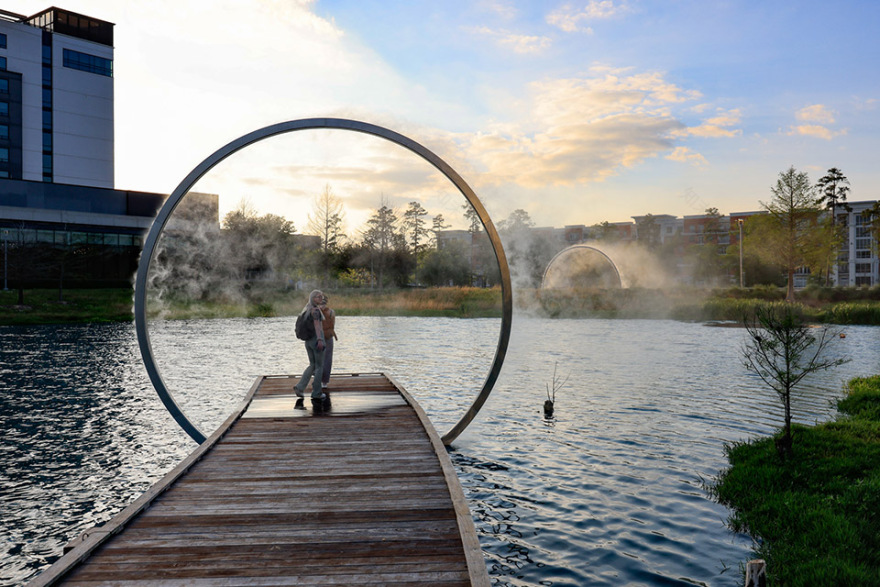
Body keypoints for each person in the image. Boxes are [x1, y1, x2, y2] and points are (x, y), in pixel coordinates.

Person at [293, 289, 326, 400]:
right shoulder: (315, 310)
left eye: (322, 296)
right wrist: (320, 339)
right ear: (313, 298)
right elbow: (317, 326)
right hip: (316, 340)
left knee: (312, 365)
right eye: (318, 296)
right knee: (319, 366)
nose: (321, 298)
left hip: (308, 341)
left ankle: (300, 387)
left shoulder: (307, 308)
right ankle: (316, 392)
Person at [319, 294, 338, 390]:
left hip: (323, 337)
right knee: (325, 359)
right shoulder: (331, 312)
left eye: (322, 303)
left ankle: (322, 380)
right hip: (326, 337)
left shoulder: (317, 312)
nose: (321, 305)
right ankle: (323, 381)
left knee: (324, 359)